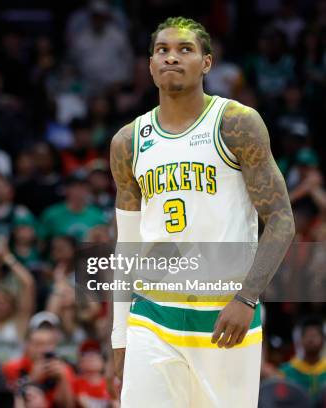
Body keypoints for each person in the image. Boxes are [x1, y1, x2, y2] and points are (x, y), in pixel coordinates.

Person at [109, 17, 295, 407]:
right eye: (162, 50)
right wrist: (120, 339)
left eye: (185, 50)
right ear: (150, 65)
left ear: (207, 63)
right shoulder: (128, 142)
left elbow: (281, 220)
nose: (172, 58)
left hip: (225, 313)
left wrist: (247, 298)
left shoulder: (236, 124)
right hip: (152, 315)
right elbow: (126, 244)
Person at [280, 317, 325, 400]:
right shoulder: (286, 371)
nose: (311, 340)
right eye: (307, 336)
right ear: (301, 340)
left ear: (323, 340)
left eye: (315, 336)